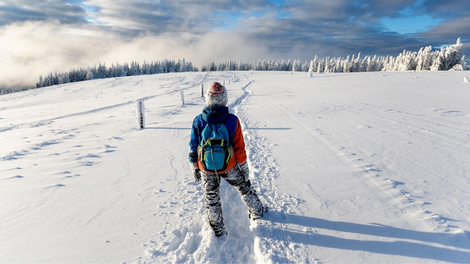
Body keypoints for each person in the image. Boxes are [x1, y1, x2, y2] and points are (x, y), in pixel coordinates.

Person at [189, 81, 264, 237]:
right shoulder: (232, 121)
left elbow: (193, 145)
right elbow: (239, 148)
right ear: (224, 99)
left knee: (211, 197)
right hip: (229, 166)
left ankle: (217, 228)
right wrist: (244, 169)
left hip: (206, 167)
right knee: (244, 187)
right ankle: (257, 211)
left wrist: (194, 166)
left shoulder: (198, 120)